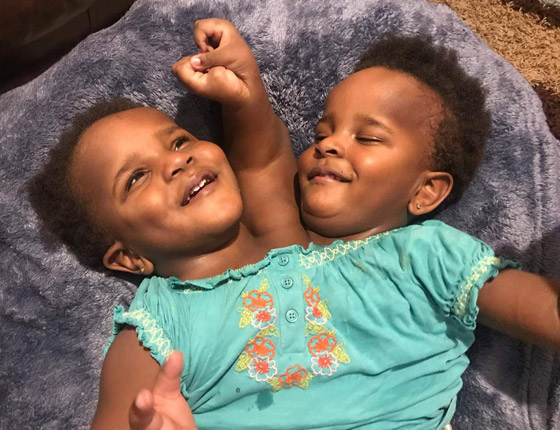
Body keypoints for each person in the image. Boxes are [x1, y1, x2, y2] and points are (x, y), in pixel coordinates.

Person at [28, 19, 560, 430]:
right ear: (128, 257)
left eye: (180, 140)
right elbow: (124, 416)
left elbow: (260, 160)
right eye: (137, 177)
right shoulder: (157, 324)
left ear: (426, 191)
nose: (177, 161)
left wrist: (242, 89)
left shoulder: (423, 255)